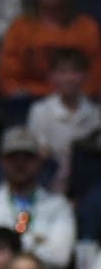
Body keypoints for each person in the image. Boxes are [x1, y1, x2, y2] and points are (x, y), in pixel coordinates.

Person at [0, 127, 75, 269]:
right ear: (1, 161)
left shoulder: (58, 206)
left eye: (27, 158)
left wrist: (3, 249)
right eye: (13, 158)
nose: (20, 164)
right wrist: (36, 242)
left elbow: (61, 258)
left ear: (39, 162)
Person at [0, 0, 101, 100]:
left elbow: (96, 76)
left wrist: (79, 97)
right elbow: (8, 78)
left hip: (77, 102)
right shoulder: (19, 27)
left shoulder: (87, 28)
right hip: (29, 101)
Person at [26, 47, 101, 194]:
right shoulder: (40, 111)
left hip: (89, 181)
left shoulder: (95, 112)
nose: (69, 78)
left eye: (75, 72)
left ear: (85, 76)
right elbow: (40, 152)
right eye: (62, 72)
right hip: (51, 179)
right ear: (52, 77)